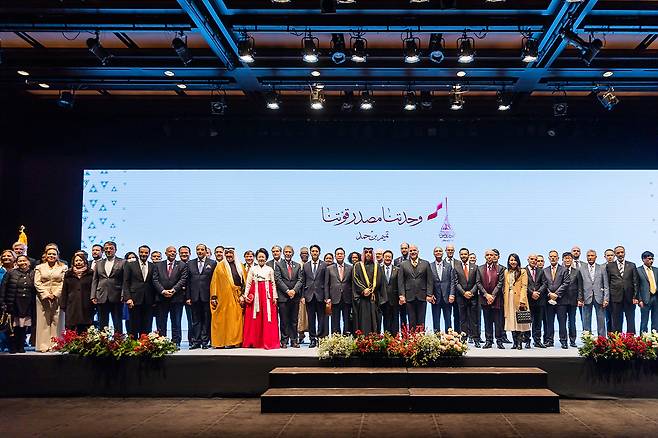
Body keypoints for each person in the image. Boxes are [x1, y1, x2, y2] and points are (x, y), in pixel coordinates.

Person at [242, 248, 280, 349]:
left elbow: (273, 284)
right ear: (256, 258)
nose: (261, 258)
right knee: (256, 317)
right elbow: (248, 283)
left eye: (263, 257)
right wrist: (245, 295)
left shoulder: (270, 269)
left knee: (268, 317)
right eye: (259, 257)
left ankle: (268, 341)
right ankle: (255, 342)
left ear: (266, 258)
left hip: (267, 294)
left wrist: (275, 297)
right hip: (256, 294)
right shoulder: (253, 269)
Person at [152, 246, 188, 348]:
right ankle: (161, 342)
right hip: (161, 298)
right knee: (161, 321)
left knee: (176, 321)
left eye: (174, 252)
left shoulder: (182, 265)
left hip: (176, 297)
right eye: (170, 251)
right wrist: (163, 291)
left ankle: (176, 342)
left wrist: (173, 290)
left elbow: (183, 279)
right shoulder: (159, 265)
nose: (172, 253)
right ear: (166, 253)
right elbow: (155, 279)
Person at [34, 246, 67, 352]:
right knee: (43, 321)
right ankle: (43, 345)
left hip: (58, 297)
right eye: (49, 254)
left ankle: (57, 344)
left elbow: (63, 282)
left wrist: (56, 294)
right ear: (46, 255)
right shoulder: (39, 267)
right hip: (43, 297)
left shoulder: (63, 267)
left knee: (57, 320)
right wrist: (46, 294)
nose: (51, 256)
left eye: (54, 254)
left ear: (58, 256)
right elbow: (37, 282)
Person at [209, 247, 244, 348]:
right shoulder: (220, 266)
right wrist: (214, 297)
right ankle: (221, 342)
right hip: (223, 298)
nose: (229, 255)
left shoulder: (240, 266)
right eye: (227, 253)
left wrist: (243, 295)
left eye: (231, 253)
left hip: (237, 297)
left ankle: (234, 342)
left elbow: (245, 282)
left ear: (234, 254)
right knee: (223, 320)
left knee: (236, 321)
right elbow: (214, 282)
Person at [0, 255, 35, 353]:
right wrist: (2, 302)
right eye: (20, 261)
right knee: (13, 327)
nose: (22, 263)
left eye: (24, 261)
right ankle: (12, 346)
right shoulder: (10, 273)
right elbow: (3, 288)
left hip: (27, 304)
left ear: (28, 262)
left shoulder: (33, 273)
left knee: (23, 326)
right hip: (13, 304)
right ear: (16, 262)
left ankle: (21, 346)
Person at [186, 244, 216, 349]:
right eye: (198, 249)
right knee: (195, 320)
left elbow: (214, 281)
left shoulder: (212, 263)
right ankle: (196, 341)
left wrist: (214, 297)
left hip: (207, 296)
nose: (200, 251)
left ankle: (204, 341)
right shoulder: (190, 263)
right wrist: (188, 297)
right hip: (194, 297)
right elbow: (188, 282)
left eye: (202, 250)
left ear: (205, 251)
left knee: (207, 319)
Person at [122, 245, 156, 338]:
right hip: (134, 299)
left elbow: (154, 283)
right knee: (133, 324)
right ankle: (133, 346)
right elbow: (126, 282)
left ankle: (144, 344)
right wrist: (128, 298)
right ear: (138, 252)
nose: (143, 254)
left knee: (147, 324)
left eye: (146, 252)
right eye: (142, 252)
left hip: (149, 300)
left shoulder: (153, 266)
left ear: (149, 254)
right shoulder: (130, 265)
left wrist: (154, 300)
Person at [91, 241, 125, 333]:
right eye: (106, 249)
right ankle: (103, 343)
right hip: (101, 295)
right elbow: (95, 280)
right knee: (102, 322)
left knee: (117, 322)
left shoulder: (122, 262)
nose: (108, 250)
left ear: (115, 250)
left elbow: (125, 281)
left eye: (111, 248)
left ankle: (118, 343)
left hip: (117, 296)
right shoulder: (99, 263)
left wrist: (123, 295)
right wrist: (93, 295)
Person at [397, 244, 432, 331]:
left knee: (421, 320)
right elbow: (400, 281)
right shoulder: (403, 264)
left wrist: (429, 294)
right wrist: (402, 295)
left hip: (422, 296)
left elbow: (429, 281)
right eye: (411, 251)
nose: (413, 252)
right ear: (409, 252)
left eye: (414, 250)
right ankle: (413, 341)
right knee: (411, 320)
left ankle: (421, 340)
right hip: (409, 296)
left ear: (418, 252)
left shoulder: (425, 263)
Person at [274, 245, 303, 348]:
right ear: (283, 253)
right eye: (286, 252)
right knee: (284, 320)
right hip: (283, 297)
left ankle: (294, 340)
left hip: (295, 297)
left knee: (294, 320)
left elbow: (300, 280)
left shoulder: (298, 265)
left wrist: (294, 291)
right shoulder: (278, 265)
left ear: (292, 253)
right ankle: (284, 341)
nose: (288, 253)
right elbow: (278, 279)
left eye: (289, 252)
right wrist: (287, 291)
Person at [606, 245, 639, 333]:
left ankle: (631, 340)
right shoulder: (610, 266)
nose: (620, 254)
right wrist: (608, 298)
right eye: (618, 253)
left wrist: (635, 297)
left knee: (630, 319)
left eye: (622, 252)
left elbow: (635, 282)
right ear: (615, 254)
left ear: (624, 253)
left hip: (629, 297)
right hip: (615, 297)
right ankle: (617, 341)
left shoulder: (632, 265)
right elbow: (608, 283)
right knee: (616, 320)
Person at [301, 244, 329, 348]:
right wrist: (302, 296)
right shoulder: (306, 265)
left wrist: (326, 297)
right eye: (313, 251)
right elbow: (303, 282)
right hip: (309, 296)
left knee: (321, 319)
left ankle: (320, 339)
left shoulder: (324, 265)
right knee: (311, 319)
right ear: (310, 253)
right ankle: (312, 339)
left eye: (316, 251)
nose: (314, 253)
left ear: (319, 253)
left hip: (321, 296)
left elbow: (326, 282)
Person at [578, 249, 609, 337]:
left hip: (599, 298)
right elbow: (580, 285)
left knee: (601, 320)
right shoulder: (581, 269)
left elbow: (606, 284)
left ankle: (602, 339)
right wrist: (580, 298)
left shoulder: (602, 268)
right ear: (586, 257)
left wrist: (606, 298)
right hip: (586, 297)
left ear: (596, 257)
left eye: (592, 255)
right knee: (586, 320)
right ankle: (587, 339)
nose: (590, 257)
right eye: (588, 256)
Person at [478, 249, 505, 349]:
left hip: (497, 299)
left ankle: (499, 341)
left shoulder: (500, 269)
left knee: (498, 322)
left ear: (494, 257)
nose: (489, 257)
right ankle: (488, 341)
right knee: (487, 321)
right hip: (485, 299)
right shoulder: (480, 268)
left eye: (491, 255)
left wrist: (492, 295)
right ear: (485, 257)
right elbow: (478, 283)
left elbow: (500, 283)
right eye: (487, 255)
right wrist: (486, 295)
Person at [352, 247, 383, 335]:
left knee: (375, 319)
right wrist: (363, 290)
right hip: (363, 299)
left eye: (370, 252)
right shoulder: (357, 266)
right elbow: (355, 279)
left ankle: (374, 340)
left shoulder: (377, 266)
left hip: (374, 298)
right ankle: (363, 342)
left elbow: (380, 281)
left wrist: (372, 290)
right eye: (366, 252)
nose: (368, 254)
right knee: (364, 320)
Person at [61, 253, 94, 334]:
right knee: (71, 327)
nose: (78, 262)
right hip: (72, 304)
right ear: (73, 262)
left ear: (85, 261)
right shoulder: (68, 273)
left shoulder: (91, 273)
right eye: (76, 261)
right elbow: (64, 290)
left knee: (85, 328)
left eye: (80, 260)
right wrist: (63, 304)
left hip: (86, 304)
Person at [454, 247, 480, 346]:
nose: (463, 256)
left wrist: (471, 292)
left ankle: (476, 339)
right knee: (463, 319)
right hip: (461, 297)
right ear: (459, 255)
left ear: (468, 255)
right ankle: (464, 339)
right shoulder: (456, 267)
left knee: (474, 320)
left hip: (473, 297)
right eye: (462, 254)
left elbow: (477, 282)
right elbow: (456, 283)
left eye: (465, 254)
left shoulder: (475, 267)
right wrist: (464, 293)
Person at [503, 253, 529, 350]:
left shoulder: (523, 271)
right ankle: (514, 342)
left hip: (519, 298)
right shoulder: (506, 272)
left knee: (519, 321)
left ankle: (519, 343)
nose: (513, 262)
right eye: (511, 260)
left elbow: (524, 286)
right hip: (508, 299)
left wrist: (522, 300)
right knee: (511, 321)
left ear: (518, 261)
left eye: (514, 260)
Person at [325, 247, 353, 335]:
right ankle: (336, 339)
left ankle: (346, 337)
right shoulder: (329, 268)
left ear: (344, 255)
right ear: (335, 256)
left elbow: (352, 283)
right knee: (335, 320)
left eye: (341, 254)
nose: (340, 255)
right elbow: (326, 284)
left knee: (347, 320)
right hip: (334, 298)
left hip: (347, 298)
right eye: (338, 254)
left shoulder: (350, 268)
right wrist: (327, 298)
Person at [543, 250, 568, 347]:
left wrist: (556, 294)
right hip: (548, 300)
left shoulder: (564, 269)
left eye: (555, 256)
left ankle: (564, 341)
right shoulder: (545, 270)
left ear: (558, 258)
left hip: (561, 301)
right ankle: (550, 340)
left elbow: (566, 283)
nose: (553, 258)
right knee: (549, 322)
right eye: (551, 257)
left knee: (562, 322)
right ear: (549, 258)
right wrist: (549, 294)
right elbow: (544, 284)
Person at [558, 252, 582, 348]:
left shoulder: (576, 271)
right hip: (561, 300)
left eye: (569, 258)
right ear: (563, 260)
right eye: (566, 258)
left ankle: (572, 340)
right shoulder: (559, 271)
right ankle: (563, 341)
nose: (567, 260)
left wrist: (580, 298)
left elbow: (580, 286)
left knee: (572, 321)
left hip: (573, 300)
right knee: (562, 321)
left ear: (572, 260)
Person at [428, 247, 455, 332]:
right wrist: (430, 294)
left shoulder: (448, 265)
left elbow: (452, 281)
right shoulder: (430, 266)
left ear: (443, 253)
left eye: (440, 251)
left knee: (448, 319)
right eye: (436, 251)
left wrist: (451, 294)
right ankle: (437, 338)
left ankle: (449, 338)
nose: (438, 252)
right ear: (433, 253)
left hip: (447, 297)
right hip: (435, 298)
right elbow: (428, 282)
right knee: (436, 319)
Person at [525, 253, 547, 348]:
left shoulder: (541, 271)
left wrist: (538, 292)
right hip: (528, 300)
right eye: (531, 259)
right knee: (527, 321)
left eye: (535, 259)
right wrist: (531, 293)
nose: (534, 261)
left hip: (539, 299)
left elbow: (545, 283)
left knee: (538, 322)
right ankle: (527, 341)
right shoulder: (523, 271)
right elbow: (523, 285)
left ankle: (537, 341)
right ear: (528, 260)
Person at [637, 251, 658, 333]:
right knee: (644, 321)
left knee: (656, 320)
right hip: (645, 299)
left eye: (652, 259)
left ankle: (655, 338)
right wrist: (639, 299)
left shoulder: (656, 270)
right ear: (643, 259)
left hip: (655, 297)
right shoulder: (638, 270)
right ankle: (643, 340)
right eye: (649, 259)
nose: (651, 261)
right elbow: (637, 286)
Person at [380, 250, 400, 335]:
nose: (388, 258)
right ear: (383, 258)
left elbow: (400, 284)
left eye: (389, 257)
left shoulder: (397, 269)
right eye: (386, 257)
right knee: (386, 320)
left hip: (395, 299)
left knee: (395, 319)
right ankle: (387, 339)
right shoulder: (379, 269)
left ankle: (395, 341)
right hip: (383, 299)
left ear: (392, 258)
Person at [178, 245, 192, 347]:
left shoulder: (193, 264)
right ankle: (177, 341)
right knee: (177, 320)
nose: (184, 254)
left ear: (190, 254)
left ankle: (192, 341)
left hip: (190, 296)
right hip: (177, 296)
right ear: (179, 254)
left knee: (191, 320)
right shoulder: (176, 265)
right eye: (182, 253)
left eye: (186, 253)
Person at [444, 244, 460, 332]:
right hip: (446, 294)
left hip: (458, 294)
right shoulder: (441, 263)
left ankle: (458, 334)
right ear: (445, 251)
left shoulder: (458, 263)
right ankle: (448, 335)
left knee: (457, 315)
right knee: (447, 315)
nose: (450, 251)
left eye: (452, 250)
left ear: (454, 251)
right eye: (448, 250)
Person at [297, 246, 310, 344]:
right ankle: (300, 335)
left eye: (306, 253)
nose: (304, 255)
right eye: (303, 253)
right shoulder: (297, 265)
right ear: (300, 255)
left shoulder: (311, 265)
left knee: (310, 317)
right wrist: (301, 296)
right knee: (300, 317)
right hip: (299, 295)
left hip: (311, 294)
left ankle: (313, 337)